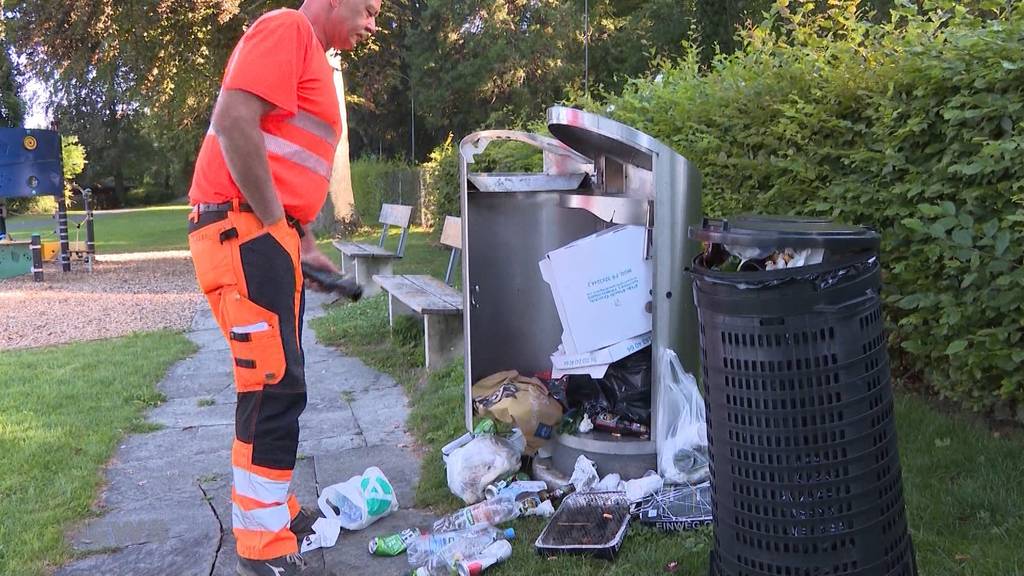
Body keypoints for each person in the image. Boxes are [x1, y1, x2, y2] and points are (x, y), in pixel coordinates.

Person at [186, 1, 380, 574]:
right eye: (368, 9)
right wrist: (275, 227)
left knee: (279, 381)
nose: (372, 25)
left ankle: (273, 509)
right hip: (245, 228)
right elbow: (233, 120)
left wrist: (304, 241)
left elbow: (282, 158)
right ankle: (260, 543)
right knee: (271, 383)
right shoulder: (287, 28)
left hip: (266, 230)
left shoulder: (309, 54)